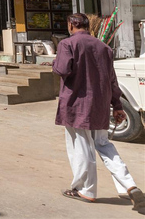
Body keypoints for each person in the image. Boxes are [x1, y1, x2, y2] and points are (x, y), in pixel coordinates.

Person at [52, 13, 145, 209]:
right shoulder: (103, 47)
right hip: (101, 105)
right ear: (87, 25)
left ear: (70, 25)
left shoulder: (67, 44)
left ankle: (86, 190)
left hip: (77, 105)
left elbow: (61, 69)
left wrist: (54, 61)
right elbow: (112, 79)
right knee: (104, 144)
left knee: (81, 147)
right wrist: (117, 105)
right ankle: (129, 185)